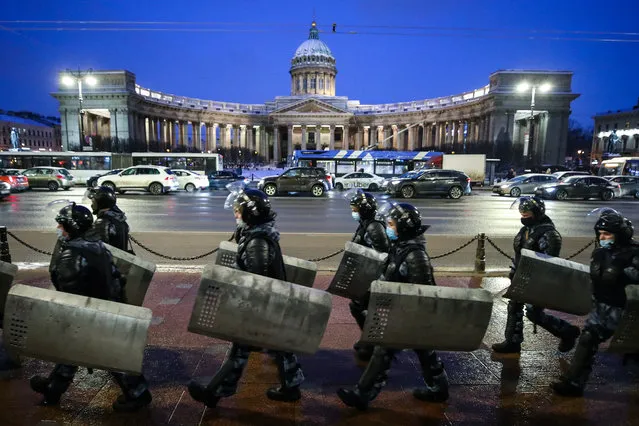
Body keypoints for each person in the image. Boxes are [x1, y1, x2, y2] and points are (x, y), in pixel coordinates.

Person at [188, 189, 305, 407]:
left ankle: (213, 394)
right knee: (279, 346)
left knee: (241, 350)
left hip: (261, 306)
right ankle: (291, 387)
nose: (235, 212)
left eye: (239, 209)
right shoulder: (257, 234)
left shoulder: (257, 242)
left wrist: (244, 305)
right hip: (271, 304)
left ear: (250, 213)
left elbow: (257, 281)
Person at [30, 203, 152, 412]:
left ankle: (138, 394)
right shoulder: (96, 246)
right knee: (76, 351)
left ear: (72, 226)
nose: (59, 229)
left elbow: (66, 288)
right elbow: (116, 277)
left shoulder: (72, 254)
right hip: (104, 306)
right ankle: (53, 388)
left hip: (89, 311)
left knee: (108, 354)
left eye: (62, 225)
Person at [337, 202, 448, 410]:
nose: (387, 228)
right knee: (424, 352)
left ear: (404, 227)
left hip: (410, 314)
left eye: (391, 224)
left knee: (385, 349)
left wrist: (406, 316)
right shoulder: (401, 248)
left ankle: (362, 394)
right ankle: (440, 388)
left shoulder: (415, 256)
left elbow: (424, 293)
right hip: (402, 311)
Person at [552, 209, 639, 396]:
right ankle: (574, 383)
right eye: (600, 233)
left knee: (633, 346)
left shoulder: (633, 254)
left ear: (620, 234)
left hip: (625, 311)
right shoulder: (600, 253)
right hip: (601, 308)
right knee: (587, 339)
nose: (602, 237)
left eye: (607, 234)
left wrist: (625, 275)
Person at [492, 196, 580, 354]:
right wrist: (515, 272)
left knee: (534, 313)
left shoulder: (549, 234)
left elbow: (549, 262)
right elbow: (520, 253)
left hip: (538, 281)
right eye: (522, 212)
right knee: (514, 308)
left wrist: (539, 283)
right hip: (522, 277)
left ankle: (566, 331)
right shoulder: (526, 229)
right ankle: (512, 342)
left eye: (527, 212)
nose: (523, 214)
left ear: (537, 212)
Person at [348, 190, 390, 361]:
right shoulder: (367, 223)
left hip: (376, 277)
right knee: (359, 305)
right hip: (369, 275)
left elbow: (382, 254)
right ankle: (370, 341)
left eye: (355, 208)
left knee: (360, 306)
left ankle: (373, 343)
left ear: (364, 209)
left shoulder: (373, 227)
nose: (353, 211)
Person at [86, 186, 132, 252]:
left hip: (112, 259)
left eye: (93, 202)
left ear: (101, 203)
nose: (92, 205)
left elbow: (97, 248)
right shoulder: (118, 216)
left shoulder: (102, 223)